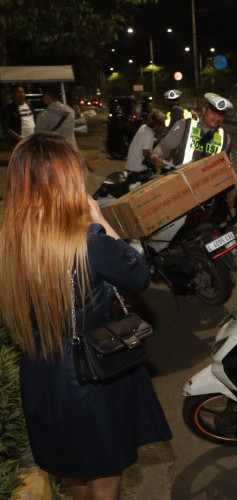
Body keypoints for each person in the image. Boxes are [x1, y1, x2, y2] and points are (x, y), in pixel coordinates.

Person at [0, 132, 172, 500]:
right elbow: (139, 275)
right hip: (93, 378)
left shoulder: (11, 241)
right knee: (104, 481)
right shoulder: (88, 240)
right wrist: (101, 220)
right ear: (66, 180)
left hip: (42, 381)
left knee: (73, 473)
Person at [151, 92, 236, 207]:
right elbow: (164, 147)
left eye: (221, 115)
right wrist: (155, 156)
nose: (217, 118)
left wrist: (231, 192)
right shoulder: (184, 126)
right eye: (214, 113)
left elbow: (227, 167)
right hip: (179, 190)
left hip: (207, 195)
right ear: (204, 110)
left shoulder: (225, 137)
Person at [125, 109, 166, 179]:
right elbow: (145, 152)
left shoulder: (143, 127)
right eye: (162, 125)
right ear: (157, 125)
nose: (164, 127)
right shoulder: (149, 132)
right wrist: (155, 159)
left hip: (130, 167)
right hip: (137, 170)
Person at [34, 84, 77, 149]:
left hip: (55, 152)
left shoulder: (44, 116)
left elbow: (38, 137)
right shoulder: (71, 111)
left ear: (47, 97)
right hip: (71, 150)